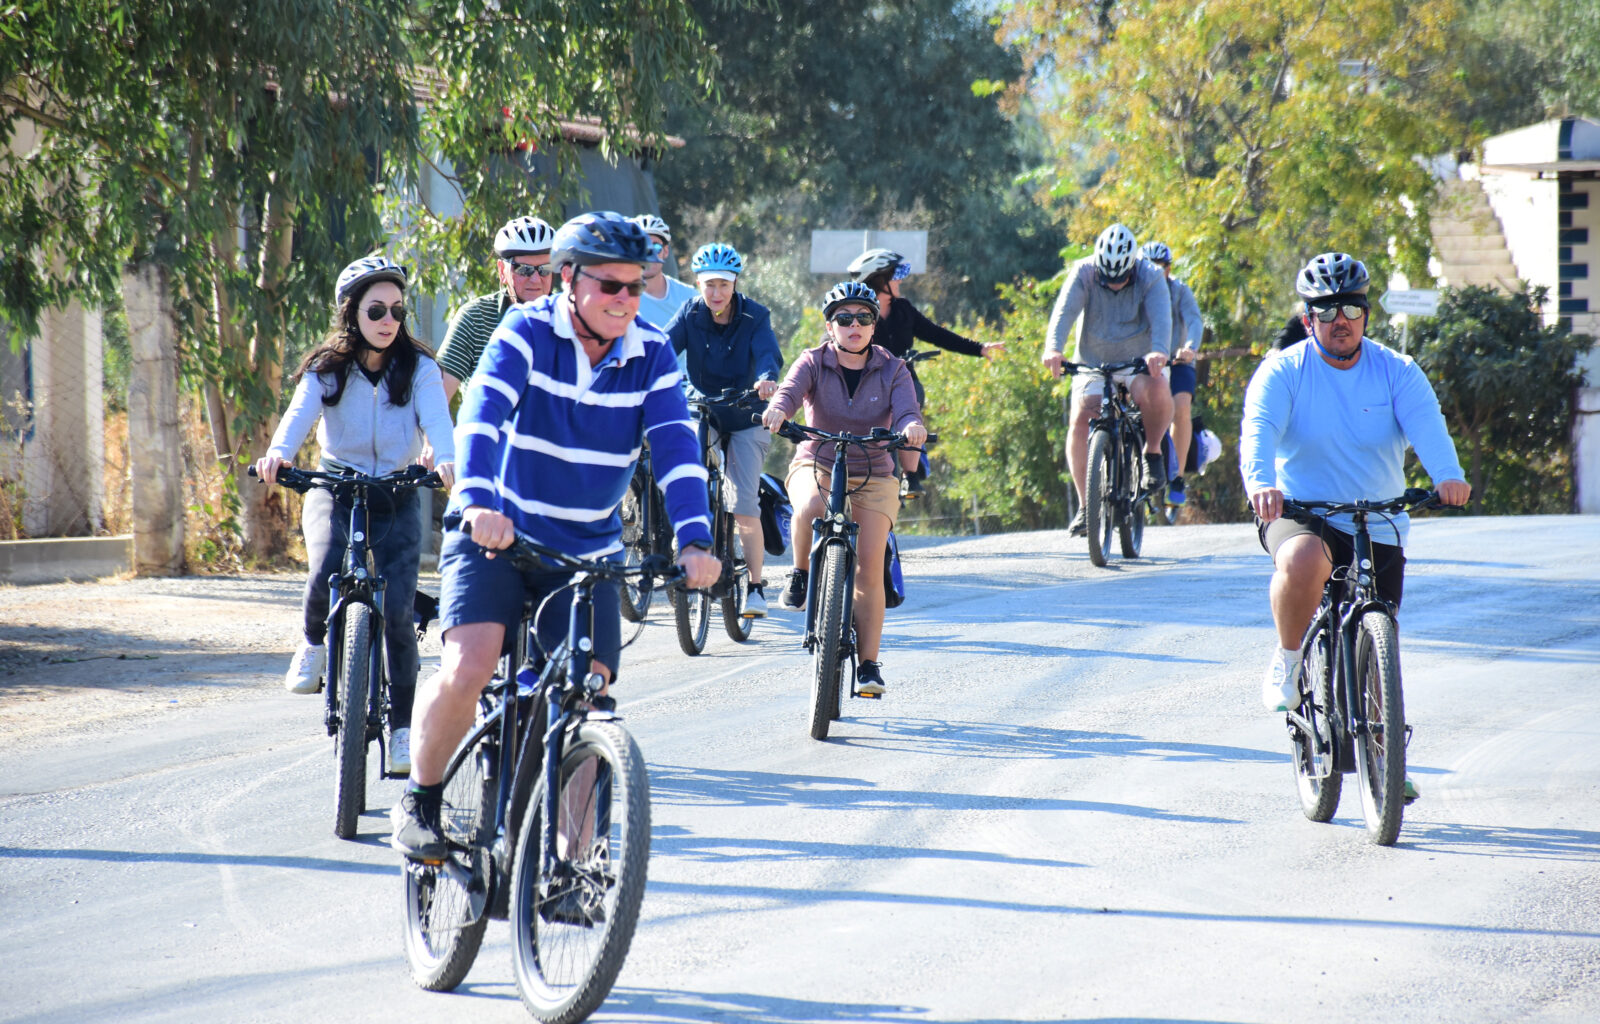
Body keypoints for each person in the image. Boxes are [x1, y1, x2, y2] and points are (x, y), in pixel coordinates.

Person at [390, 212, 719, 859]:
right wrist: (478, 500)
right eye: (610, 286)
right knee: (470, 664)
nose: (626, 299)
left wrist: (695, 542)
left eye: (634, 285)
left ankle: (575, 863)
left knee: (589, 695)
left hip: (587, 551)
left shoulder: (651, 352)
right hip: (498, 535)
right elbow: (481, 416)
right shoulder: (525, 332)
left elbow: (678, 450)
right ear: (570, 279)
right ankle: (421, 801)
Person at [1240, 252, 1470, 794]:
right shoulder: (1284, 371)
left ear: (1366, 313)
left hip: (1380, 519)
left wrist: (1448, 475)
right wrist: (1261, 484)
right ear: (1307, 318)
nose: (1339, 320)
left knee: (1378, 633)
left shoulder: (1397, 371)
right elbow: (1259, 431)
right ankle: (1290, 658)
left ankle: (1386, 761)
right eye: (1326, 311)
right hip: (1301, 513)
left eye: (1350, 308)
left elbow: (1429, 430)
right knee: (1303, 560)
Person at [254, 255, 456, 775]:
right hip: (336, 484)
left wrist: (444, 457)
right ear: (351, 314)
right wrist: (278, 455)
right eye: (376, 310)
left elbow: (438, 423)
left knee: (399, 611)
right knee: (323, 565)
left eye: (396, 310)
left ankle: (405, 730)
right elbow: (299, 416)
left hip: (398, 489)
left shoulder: (420, 368)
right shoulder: (328, 368)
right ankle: (314, 643)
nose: (388, 320)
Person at [761, 281, 927, 696]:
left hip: (874, 470)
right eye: (844, 318)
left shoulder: (894, 369)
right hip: (816, 461)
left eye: (864, 318)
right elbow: (788, 393)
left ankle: (868, 665)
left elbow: (907, 410)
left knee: (869, 565)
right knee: (810, 507)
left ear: (874, 325)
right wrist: (779, 410)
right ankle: (800, 575)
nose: (854, 325)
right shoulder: (812, 361)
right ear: (831, 325)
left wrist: (910, 427)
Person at [664, 242, 783, 616]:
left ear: (735, 285)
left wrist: (767, 380)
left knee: (743, 503)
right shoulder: (689, 312)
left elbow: (767, 355)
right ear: (698, 284)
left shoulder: (755, 316)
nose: (716, 293)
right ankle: (689, 542)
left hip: (747, 412)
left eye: (723, 285)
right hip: (705, 409)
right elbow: (664, 347)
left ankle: (756, 587)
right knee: (689, 475)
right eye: (709, 285)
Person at [1042, 223, 1173, 535]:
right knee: (1079, 420)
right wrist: (1054, 349)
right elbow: (1063, 314)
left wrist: (1159, 352)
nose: (1114, 284)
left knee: (1157, 390)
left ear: (1132, 266)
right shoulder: (1083, 272)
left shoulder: (1151, 276)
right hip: (1093, 360)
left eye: (1121, 278)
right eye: (1108, 278)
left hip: (1137, 361)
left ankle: (1151, 450)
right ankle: (1087, 508)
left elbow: (1162, 319)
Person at [847, 248, 1003, 497]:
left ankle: (910, 475)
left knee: (909, 407)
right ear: (878, 280)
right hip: (866, 384)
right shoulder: (855, 314)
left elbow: (936, 334)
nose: (901, 280)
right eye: (896, 274)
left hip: (903, 381)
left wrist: (980, 348)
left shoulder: (903, 309)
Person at [435, 215, 555, 401]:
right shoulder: (475, 319)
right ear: (502, 271)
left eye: (545, 269)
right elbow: (436, 401)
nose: (536, 279)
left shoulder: (568, 320)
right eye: (524, 269)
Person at [1141, 241, 1205, 506]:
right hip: (1145, 364)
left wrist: (1190, 348)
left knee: (1181, 407)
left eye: (1162, 267)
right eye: (1150, 267)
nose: (1157, 272)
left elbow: (1194, 321)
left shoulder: (1179, 290)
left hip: (1177, 362)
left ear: (1169, 268)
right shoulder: (1135, 292)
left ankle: (1177, 477)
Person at [632, 213, 699, 329]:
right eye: (641, 247)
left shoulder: (689, 298)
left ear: (666, 251)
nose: (649, 254)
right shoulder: (621, 296)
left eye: (656, 247)